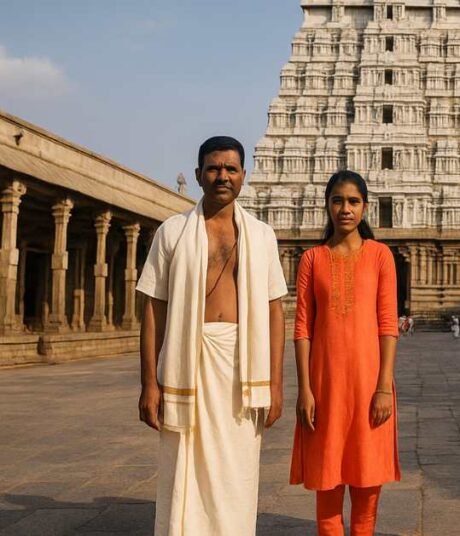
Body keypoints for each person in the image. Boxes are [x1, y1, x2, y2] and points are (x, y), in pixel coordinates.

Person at [137, 136, 288, 535]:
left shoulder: (261, 235)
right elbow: (154, 306)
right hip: (186, 360)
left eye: (231, 169)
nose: (223, 176)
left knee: (237, 468)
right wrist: (148, 383)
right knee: (182, 463)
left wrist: (276, 382)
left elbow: (275, 311)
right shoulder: (172, 232)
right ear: (200, 173)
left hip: (243, 365)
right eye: (214, 168)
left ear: (244, 176)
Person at [290, 170, 400, 536]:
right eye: (337, 201)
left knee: (367, 497)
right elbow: (302, 327)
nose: (345, 209)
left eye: (353, 201)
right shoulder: (312, 259)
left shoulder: (381, 255)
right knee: (327, 491)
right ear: (327, 206)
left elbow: (388, 324)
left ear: (365, 207)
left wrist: (384, 387)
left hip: (370, 388)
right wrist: (304, 390)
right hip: (325, 388)